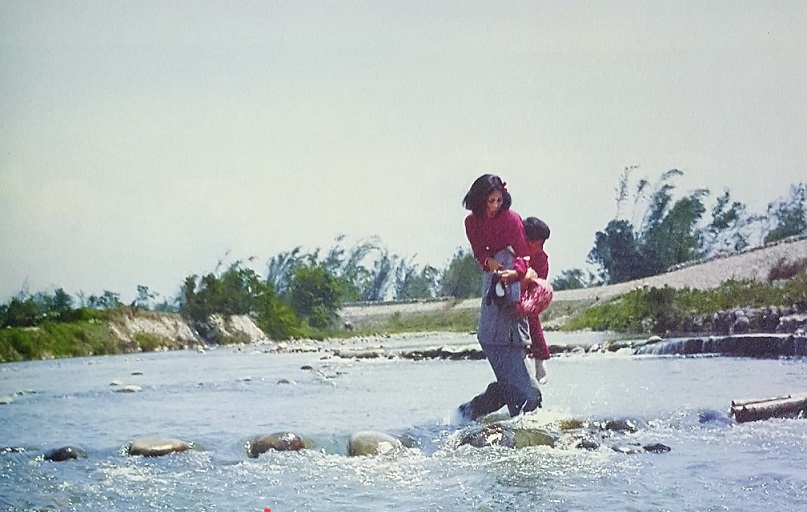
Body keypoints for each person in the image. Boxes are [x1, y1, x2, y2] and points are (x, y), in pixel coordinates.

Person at [456, 175, 541, 422]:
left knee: (513, 332)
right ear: (479, 201)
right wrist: (487, 261)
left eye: (498, 200)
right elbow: (478, 251)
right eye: (490, 201)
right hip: (492, 276)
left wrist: (513, 273)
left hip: (514, 275)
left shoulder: (511, 219)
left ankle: (510, 400)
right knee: (490, 335)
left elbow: (524, 256)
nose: (494, 206)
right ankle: (499, 396)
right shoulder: (471, 222)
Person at [512, 217, 553, 385]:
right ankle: (523, 353)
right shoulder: (513, 252)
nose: (540, 248)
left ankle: (539, 357)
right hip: (511, 292)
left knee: (531, 316)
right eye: (538, 243)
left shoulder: (541, 259)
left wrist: (528, 282)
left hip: (529, 296)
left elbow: (539, 286)